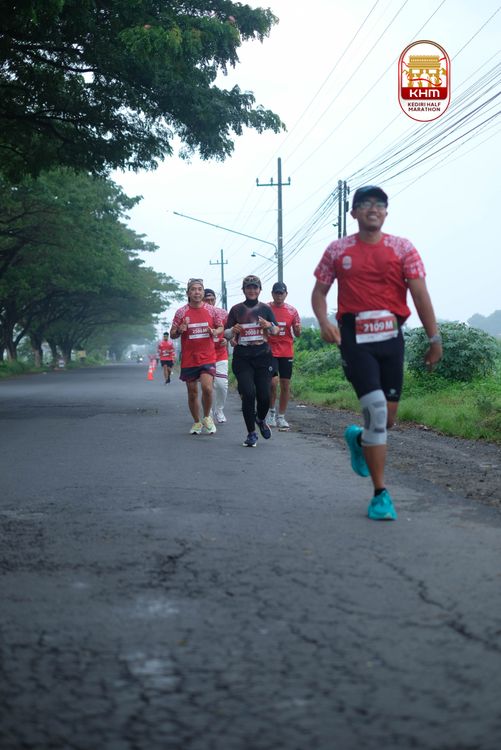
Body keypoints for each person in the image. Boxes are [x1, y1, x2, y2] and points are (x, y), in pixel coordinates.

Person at [311, 185, 442, 521]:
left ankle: (359, 440)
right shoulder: (338, 250)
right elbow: (319, 293)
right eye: (365, 203)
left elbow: (420, 294)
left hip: (391, 338)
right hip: (355, 340)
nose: (373, 208)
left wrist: (435, 338)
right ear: (353, 212)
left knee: (387, 419)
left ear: (386, 212)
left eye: (380, 204)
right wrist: (325, 322)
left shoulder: (403, 248)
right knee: (377, 411)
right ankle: (380, 494)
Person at [225, 275, 279, 447]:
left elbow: (276, 330)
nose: (252, 290)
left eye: (255, 287)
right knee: (248, 394)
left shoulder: (265, 309)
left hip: (263, 356)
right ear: (243, 290)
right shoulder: (236, 310)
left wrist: (269, 326)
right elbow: (226, 334)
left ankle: (260, 419)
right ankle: (251, 433)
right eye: (248, 287)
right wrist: (233, 330)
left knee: (264, 396)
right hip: (243, 358)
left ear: (260, 290)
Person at [170, 278, 224, 435]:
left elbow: (220, 327)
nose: (197, 292)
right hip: (189, 358)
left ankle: (207, 417)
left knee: (207, 388)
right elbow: (172, 334)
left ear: (203, 292)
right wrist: (180, 329)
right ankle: (196, 422)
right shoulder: (181, 312)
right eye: (193, 289)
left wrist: (215, 332)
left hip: (207, 356)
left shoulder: (212, 311)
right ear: (188, 293)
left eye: (199, 289)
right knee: (192, 392)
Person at [267, 281, 302, 429]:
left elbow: (298, 333)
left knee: (285, 384)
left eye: (281, 293)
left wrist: (298, 329)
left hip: (286, 351)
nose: (279, 296)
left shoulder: (292, 311)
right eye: (276, 293)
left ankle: (281, 416)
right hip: (270, 351)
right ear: (272, 294)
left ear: (286, 294)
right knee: (272, 383)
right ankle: (271, 413)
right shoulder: (266, 308)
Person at [203, 288, 229, 423]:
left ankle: (219, 410)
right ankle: (207, 414)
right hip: (203, 355)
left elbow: (230, 330)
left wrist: (227, 339)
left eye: (212, 299)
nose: (210, 302)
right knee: (207, 387)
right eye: (207, 300)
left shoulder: (223, 314)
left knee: (221, 384)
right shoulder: (198, 314)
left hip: (220, 354)